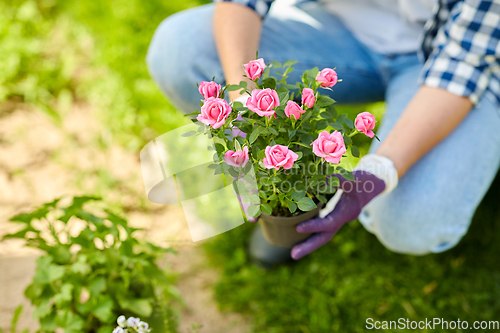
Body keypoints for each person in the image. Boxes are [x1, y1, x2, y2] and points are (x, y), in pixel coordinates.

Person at [146, 0, 500, 267]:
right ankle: (292, 210)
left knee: (410, 221)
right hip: (341, 28)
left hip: (466, 57)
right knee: (181, 50)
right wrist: (246, 105)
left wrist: (380, 170)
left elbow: (462, 64)